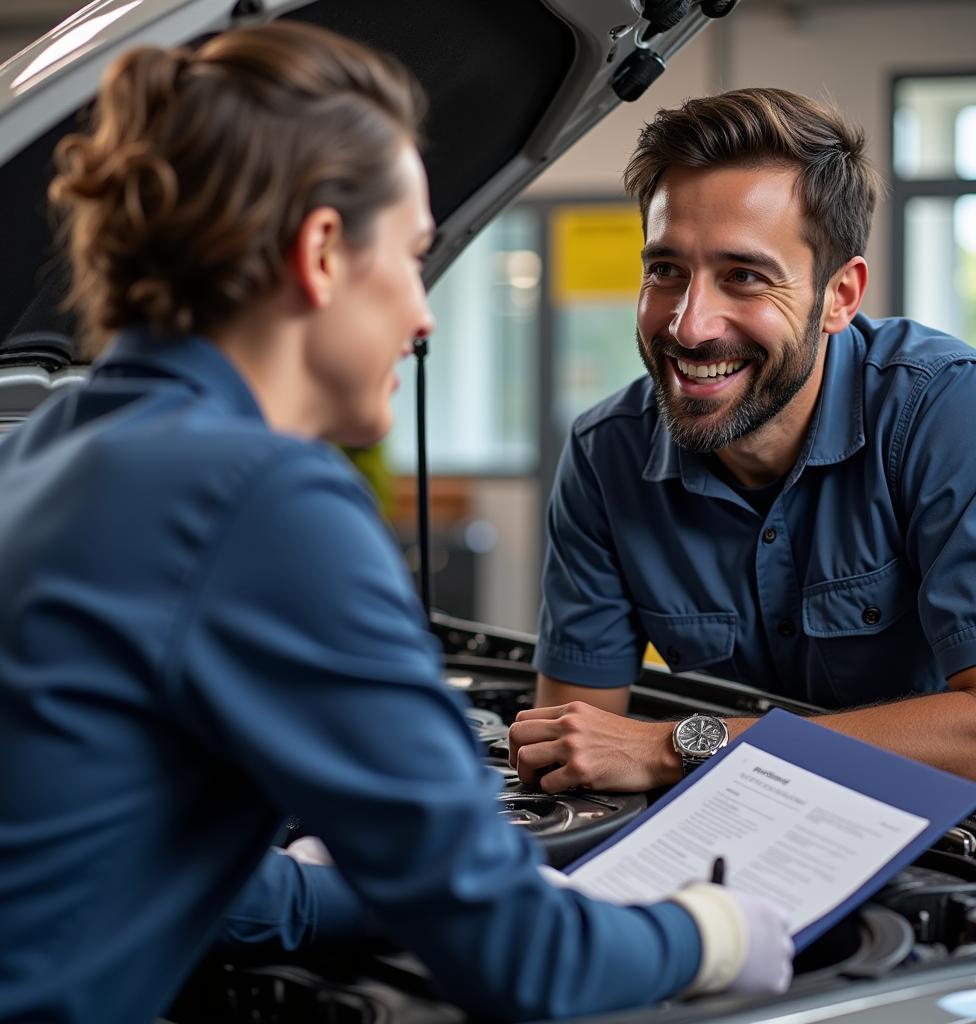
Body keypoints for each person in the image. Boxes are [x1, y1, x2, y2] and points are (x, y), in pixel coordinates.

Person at [0, 24, 793, 1024]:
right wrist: (710, 932)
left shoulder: (56, 448)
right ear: (323, 252)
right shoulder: (258, 497)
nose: (422, 318)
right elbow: (518, 962)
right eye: (412, 257)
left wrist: (363, 888)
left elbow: (147, 870)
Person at [510, 88, 976, 800]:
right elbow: (581, 749)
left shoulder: (944, 407)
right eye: (665, 271)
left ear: (840, 296)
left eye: (744, 276)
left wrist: (680, 747)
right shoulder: (606, 457)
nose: (690, 327)